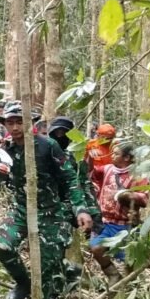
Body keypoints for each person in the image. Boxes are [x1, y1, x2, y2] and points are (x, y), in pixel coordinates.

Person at [0, 105, 93, 299]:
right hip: (21, 210)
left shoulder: (48, 146)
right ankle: (23, 284)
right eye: (10, 123)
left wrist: (80, 208)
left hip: (50, 214)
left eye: (19, 122)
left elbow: (69, 179)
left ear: (30, 123)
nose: (14, 127)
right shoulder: (6, 149)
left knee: (46, 268)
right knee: (3, 247)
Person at [47, 116, 103, 284]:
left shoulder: (76, 157)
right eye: (56, 133)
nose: (60, 136)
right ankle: (58, 281)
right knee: (56, 244)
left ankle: (71, 275)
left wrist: (92, 209)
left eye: (64, 133)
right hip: (50, 206)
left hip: (72, 205)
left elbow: (84, 183)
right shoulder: (44, 152)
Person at [90, 140, 148, 283]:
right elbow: (91, 172)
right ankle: (113, 274)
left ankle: (131, 286)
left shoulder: (138, 175)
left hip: (124, 224)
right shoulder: (108, 169)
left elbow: (144, 199)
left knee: (129, 258)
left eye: (116, 154)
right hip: (104, 222)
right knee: (96, 248)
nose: (112, 156)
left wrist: (123, 194)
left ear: (126, 158)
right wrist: (89, 157)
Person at [86, 123, 116, 193]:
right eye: (105, 138)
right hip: (94, 178)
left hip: (111, 178)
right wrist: (90, 157)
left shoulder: (116, 145)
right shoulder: (90, 145)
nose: (108, 140)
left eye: (110, 138)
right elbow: (85, 167)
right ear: (98, 136)